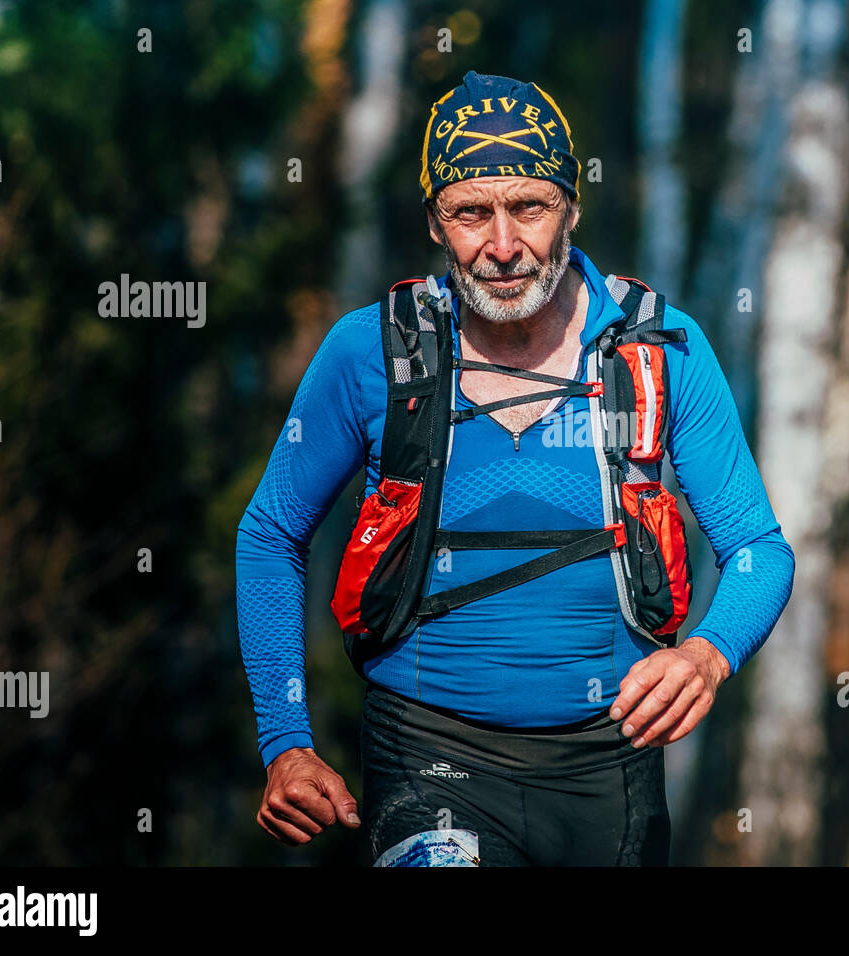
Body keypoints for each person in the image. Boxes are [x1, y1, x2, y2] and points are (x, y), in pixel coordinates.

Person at [235, 70, 795, 866]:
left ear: (573, 205)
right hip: (426, 756)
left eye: (528, 207)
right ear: (435, 220)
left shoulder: (663, 350)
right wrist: (286, 741)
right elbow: (270, 533)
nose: (502, 247)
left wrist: (709, 654)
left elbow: (758, 548)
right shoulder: (373, 352)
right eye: (471, 213)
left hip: (612, 769)